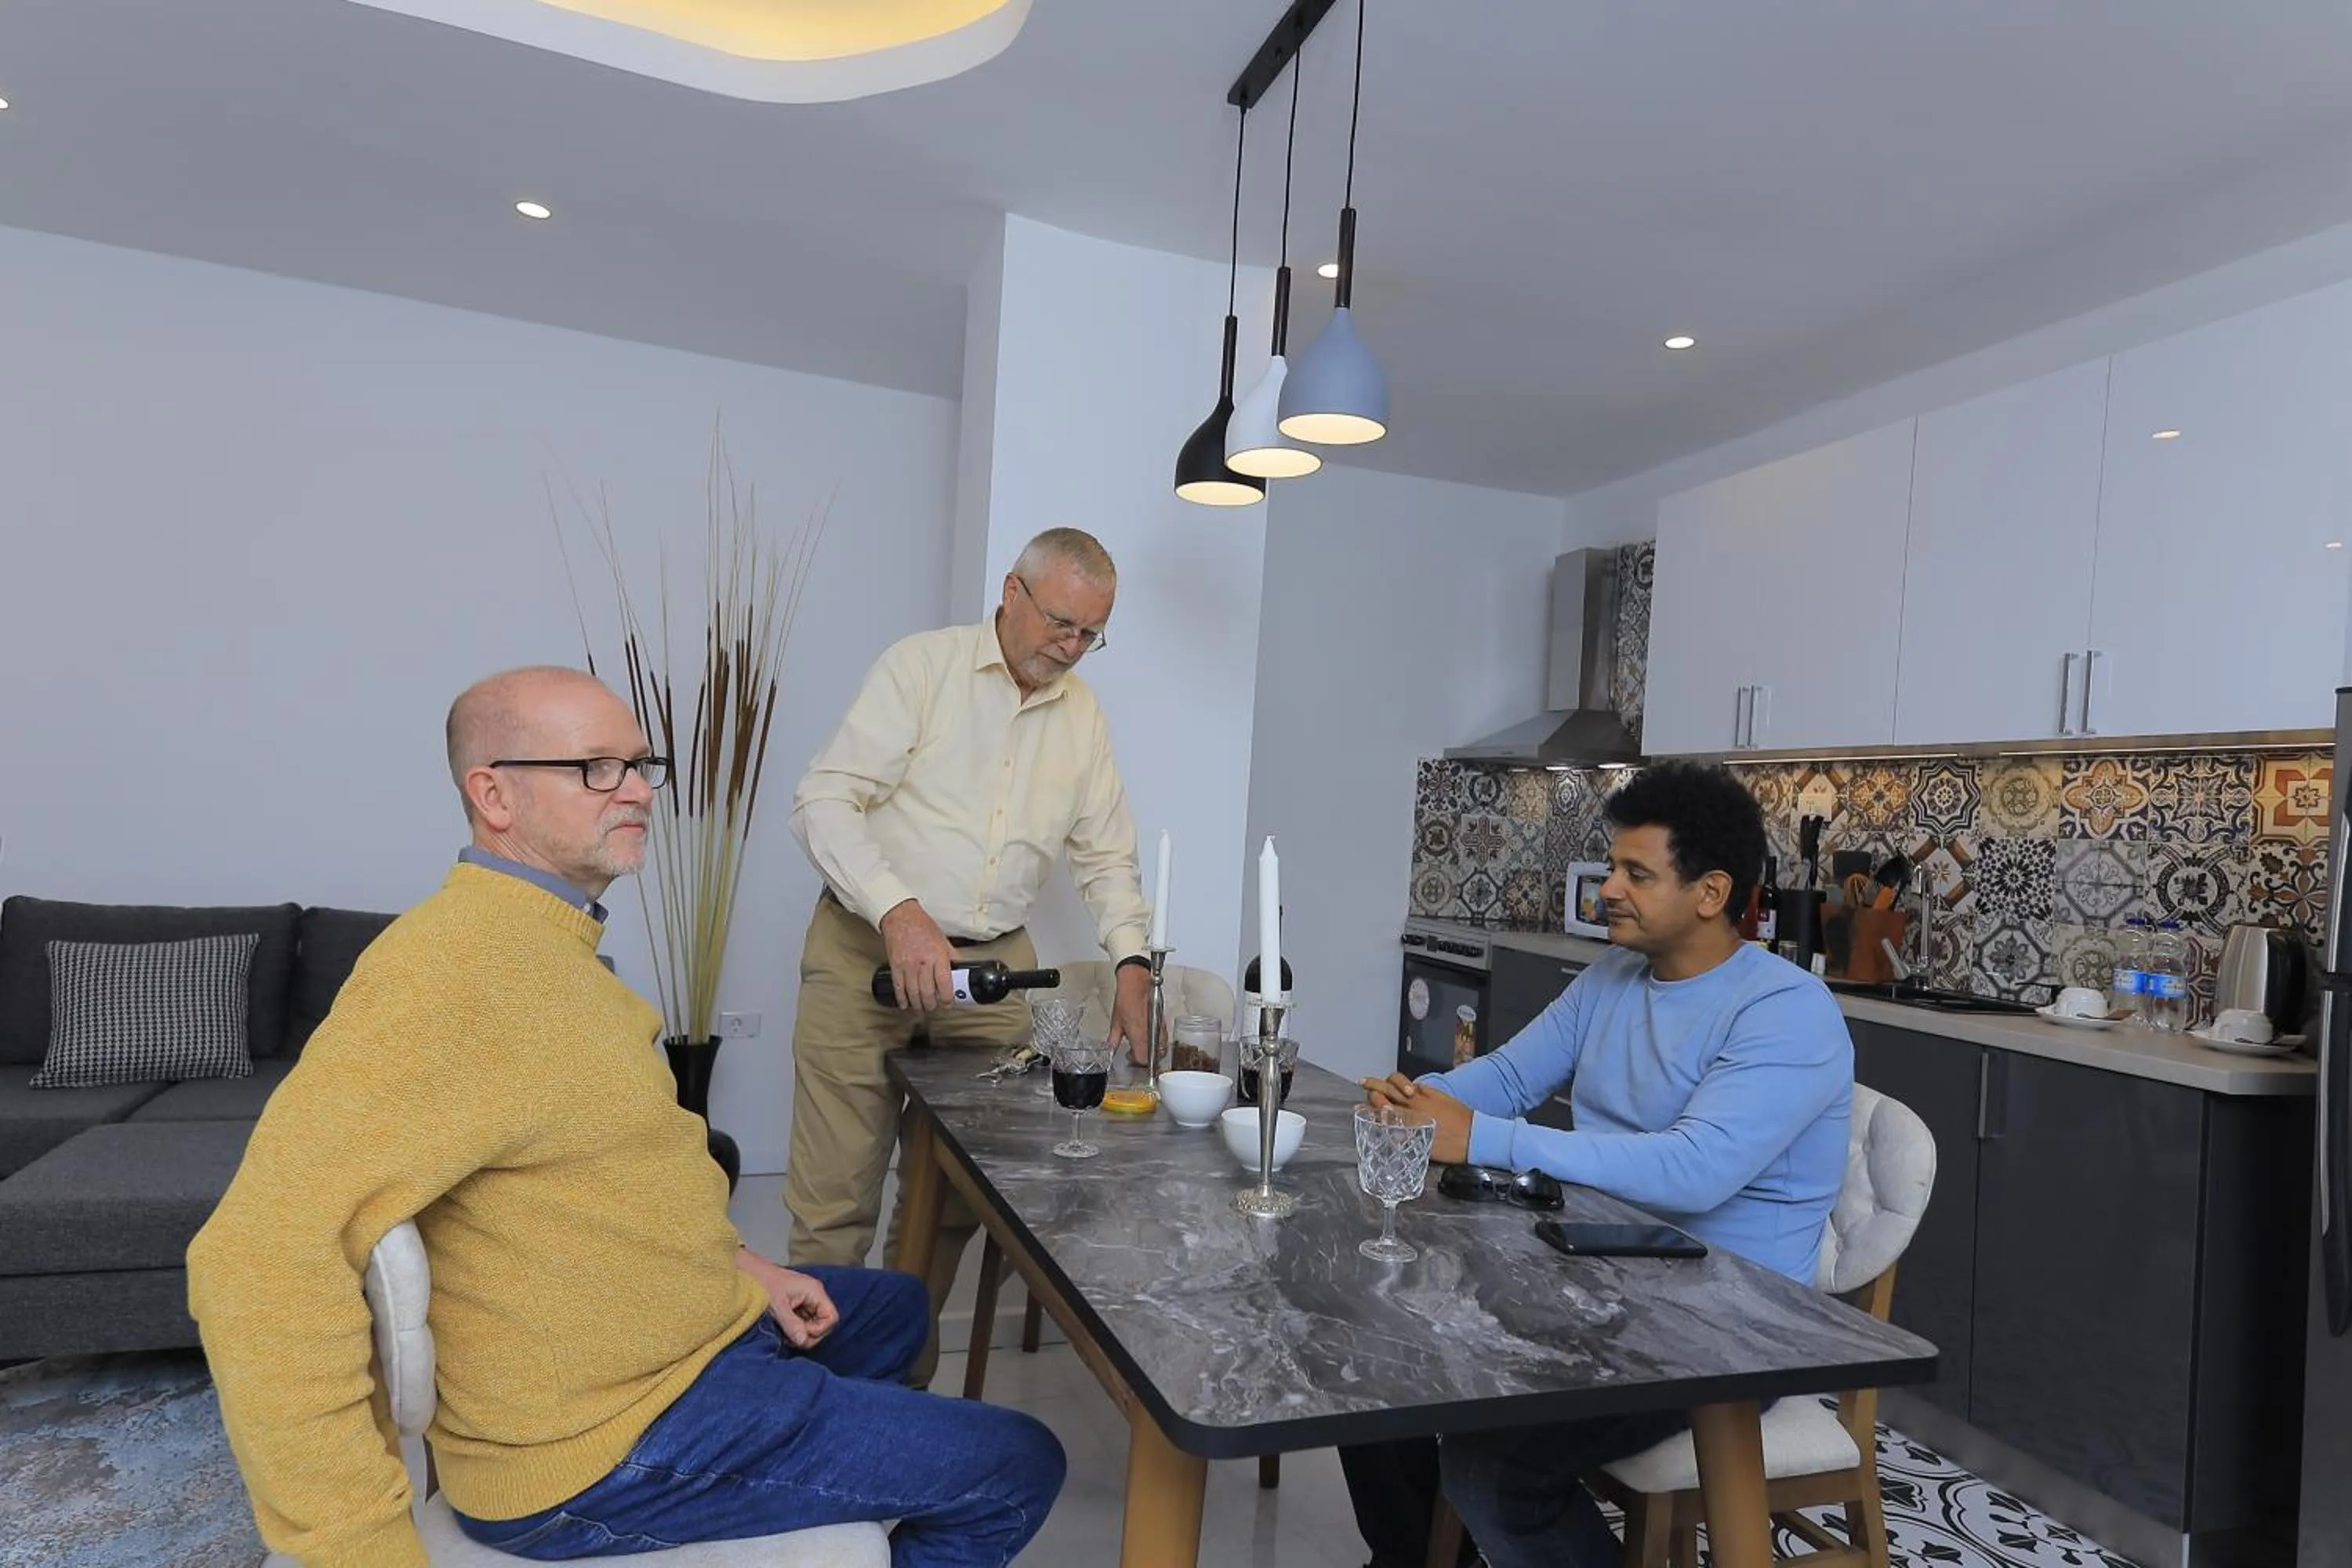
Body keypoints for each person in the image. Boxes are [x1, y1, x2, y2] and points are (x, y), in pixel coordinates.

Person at [188, 666, 1063, 1566]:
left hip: (670, 1348)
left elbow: (612, 1173)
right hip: (597, 1448)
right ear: (493, 794)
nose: (640, 789)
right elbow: (254, 1259)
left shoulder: (548, 943)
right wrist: (363, 1548)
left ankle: (815, 1481)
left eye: (642, 764)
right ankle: (815, 1478)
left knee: (895, 1307)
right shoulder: (446, 975)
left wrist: (744, 1265)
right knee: (1019, 1462)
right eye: (597, 768)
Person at [1343, 760, 1853, 1568]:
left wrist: (1479, 1137)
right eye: (1613, 867)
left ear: (1711, 892)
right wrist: (1417, 1099)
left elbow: (1695, 1168)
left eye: (1635, 874)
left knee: (1497, 1471)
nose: (1608, 889)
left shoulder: (1786, 1010)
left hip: (1729, 1325)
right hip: (1594, 1280)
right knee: (1371, 1350)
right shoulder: (1613, 976)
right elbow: (1509, 1078)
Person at [785, 528, 1154, 1367]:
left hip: (992, 971)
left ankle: (899, 1378)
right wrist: (899, 911)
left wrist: (1132, 961)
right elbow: (823, 800)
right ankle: (816, 1391)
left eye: (1090, 634)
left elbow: (1106, 856)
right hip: (865, 951)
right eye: (1061, 623)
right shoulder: (921, 668)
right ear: (1012, 592)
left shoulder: (1083, 716)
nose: (1072, 648)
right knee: (835, 1198)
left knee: (956, 1196)